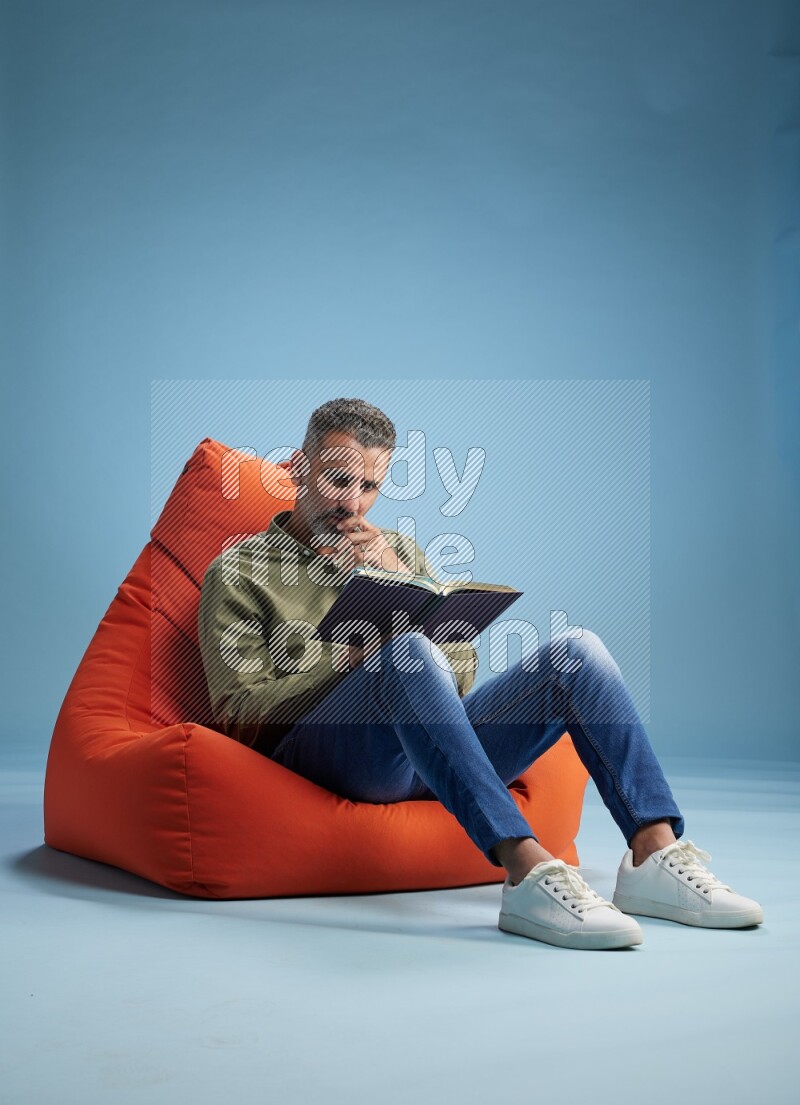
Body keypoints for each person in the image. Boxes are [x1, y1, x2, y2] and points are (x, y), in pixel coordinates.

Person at [198, 397, 764, 951]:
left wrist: (404, 587)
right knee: (406, 653)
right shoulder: (240, 570)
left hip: (429, 755)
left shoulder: (394, 550)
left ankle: (652, 853)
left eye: (369, 487)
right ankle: (526, 871)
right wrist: (354, 658)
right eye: (337, 480)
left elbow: (458, 678)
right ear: (298, 469)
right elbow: (237, 712)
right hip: (331, 758)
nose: (353, 504)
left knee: (578, 652)